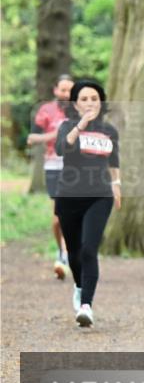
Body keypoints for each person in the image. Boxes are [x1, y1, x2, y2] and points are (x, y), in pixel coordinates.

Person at [54, 80, 121, 327]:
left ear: (101, 102)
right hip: (69, 196)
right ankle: (80, 286)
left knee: (89, 249)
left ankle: (86, 306)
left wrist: (117, 186)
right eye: (84, 99)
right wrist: (80, 126)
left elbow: (114, 161)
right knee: (73, 251)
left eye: (94, 98)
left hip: (99, 196)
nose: (90, 103)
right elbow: (62, 148)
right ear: (75, 103)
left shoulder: (109, 130)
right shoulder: (67, 126)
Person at [27, 74, 75, 279]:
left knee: (69, 215)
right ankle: (61, 251)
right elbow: (31, 138)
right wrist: (54, 136)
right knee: (57, 219)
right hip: (54, 166)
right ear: (56, 90)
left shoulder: (80, 111)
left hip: (76, 168)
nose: (66, 94)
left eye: (70, 90)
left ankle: (64, 257)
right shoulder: (45, 110)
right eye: (63, 89)